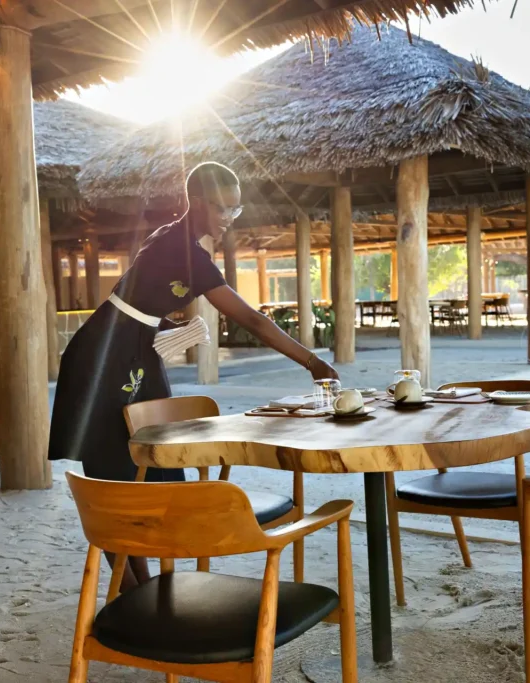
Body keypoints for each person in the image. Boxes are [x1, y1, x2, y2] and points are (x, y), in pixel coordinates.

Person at [48, 161, 338, 592]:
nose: (228, 219)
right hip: (102, 356)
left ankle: (145, 586)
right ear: (196, 202)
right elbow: (253, 321)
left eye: (236, 211)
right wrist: (312, 362)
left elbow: (143, 302)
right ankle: (131, 592)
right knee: (114, 473)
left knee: (154, 461)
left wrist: (167, 327)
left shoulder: (181, 242)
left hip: (134, 347)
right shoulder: (182, 248)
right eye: (222, 209)